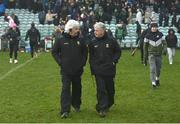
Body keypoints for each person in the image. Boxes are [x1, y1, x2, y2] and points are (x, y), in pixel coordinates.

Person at [52, 20, 87, 119]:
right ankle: (65, 110)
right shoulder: (60, 39)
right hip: (65, 70)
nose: (78, 31)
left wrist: (82, 63)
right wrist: (60, 62)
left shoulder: (81, 40)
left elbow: (85, 52)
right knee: (65, 89)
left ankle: (76, 105)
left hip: (78, 69)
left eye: (78, 29)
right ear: (70, 29)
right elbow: (54, 52)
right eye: (76, 29)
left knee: (77, 88)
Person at [88, 22, 121, 117]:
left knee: (110, 89)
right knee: (101, 89)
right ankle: (102, 108)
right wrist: (93, 67)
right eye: (95, 30)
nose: (95, 32)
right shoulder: (92, 42)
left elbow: (118, 51)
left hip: (110, 69)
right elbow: (91, 56)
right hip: (98, 70)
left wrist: (114, 61)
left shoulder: (111, 40)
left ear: (102, 31)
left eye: (97, 30)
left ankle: (109, 103)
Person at [143, 22, 167, 88]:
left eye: (155, 27)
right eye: (153, 27)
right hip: (151, 55)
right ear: (151, 28)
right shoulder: (147, 36)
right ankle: (153, 83)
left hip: (159, 55)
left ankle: (157, 79)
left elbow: (165, 43)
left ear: (157, 28)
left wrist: (165, 50)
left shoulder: (161, 34)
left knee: (158, 69)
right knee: (152, 68)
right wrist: (145, 58)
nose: (154, 28)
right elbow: (145, 47)